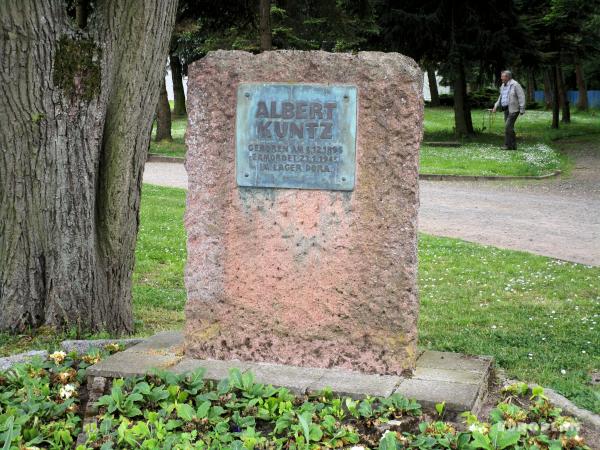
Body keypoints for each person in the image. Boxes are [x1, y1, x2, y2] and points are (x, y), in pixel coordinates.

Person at [492, 70, 525, 150]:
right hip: (506, 109)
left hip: (514, 109)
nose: (501, 78)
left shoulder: (515, 85)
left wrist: (522, 108)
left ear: (508, 77)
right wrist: (495, 106)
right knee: (510, 128)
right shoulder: (503, 85)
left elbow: (521, 96)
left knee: (507, 127)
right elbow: (501, 96)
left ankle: (507, 145)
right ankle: (513, 146)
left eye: (502, 76)